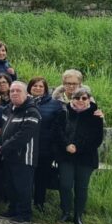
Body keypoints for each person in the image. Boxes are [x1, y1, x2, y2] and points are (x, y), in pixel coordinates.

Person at [53, 85, 104, 224]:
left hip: (86, 157)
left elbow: (97, 139)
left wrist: (78, 148)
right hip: (66, 155)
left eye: (84, 98)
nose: (80, 100)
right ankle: (65, 212)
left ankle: (78, 216)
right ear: (71, 98)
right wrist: (67, 145)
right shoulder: (64, 112)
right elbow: (57, 131)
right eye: (77, 97)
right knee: (65, 184)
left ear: (88, 99)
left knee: (82, 187)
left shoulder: (96, 115)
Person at [0, 81, 41, 222]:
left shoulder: (32, 111)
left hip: (24, 156)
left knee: (23, 187)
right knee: (10, 185)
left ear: (26, 93)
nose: (14, 93)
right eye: (12, 91)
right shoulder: (8, 109)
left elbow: (23, 136)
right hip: (8, 155)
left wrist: (4, 147)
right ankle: (13, 209)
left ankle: (24, 214)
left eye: (18, 91)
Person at [29, 76, 64, 211]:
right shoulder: (24, 101)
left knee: (41, 178)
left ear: (45, 89)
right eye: (34, 86)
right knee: (26, 177)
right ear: (29, 88)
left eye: (40, 86)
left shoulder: (54, 104)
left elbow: (58, 127)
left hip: (45, 147)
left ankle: (39, 205)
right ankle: (24, 203)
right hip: (26, 147)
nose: (37, 88)